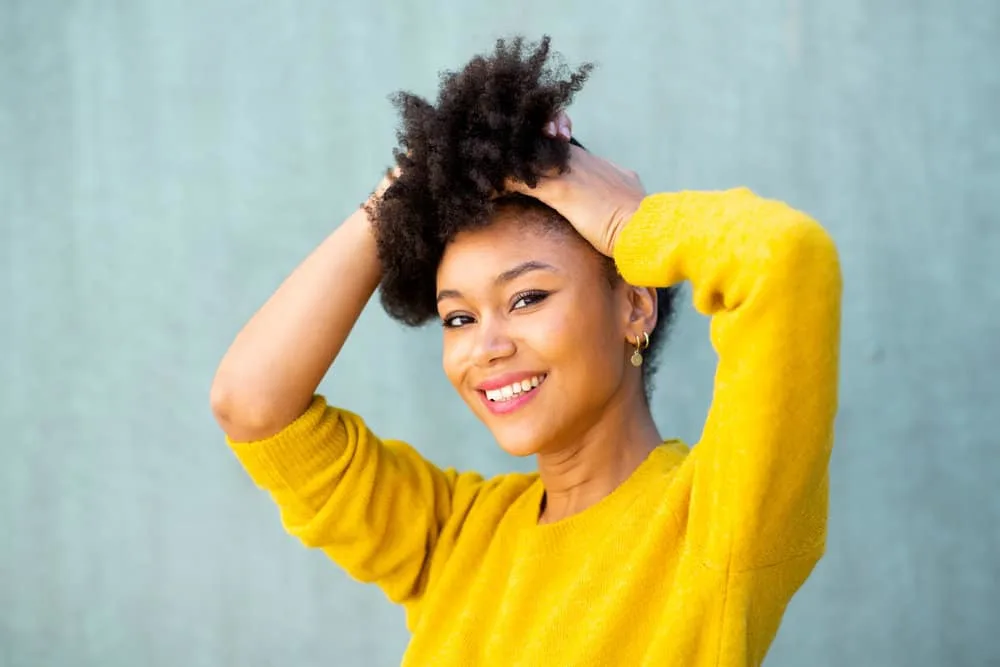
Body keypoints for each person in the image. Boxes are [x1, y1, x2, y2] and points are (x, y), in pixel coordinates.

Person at [210, 37, 842, 666]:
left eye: (527, 298)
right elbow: (251, 404)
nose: (486, 346)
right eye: (458, 316)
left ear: (635, 306)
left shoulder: (718, 524)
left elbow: (786, 263)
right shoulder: (455, 537)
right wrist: (409, 185)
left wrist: (626, 223)